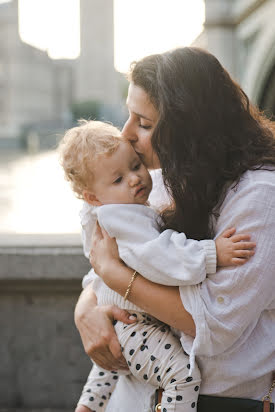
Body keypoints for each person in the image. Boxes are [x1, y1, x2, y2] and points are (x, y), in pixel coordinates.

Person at [74, 47, 275, 412]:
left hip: (219, 401)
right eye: (128, 116)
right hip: (136, 393)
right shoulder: (161, 178)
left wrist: (115, 276)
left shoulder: (260, 196)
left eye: (145, 124)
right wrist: (85, 310)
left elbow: (214, 324)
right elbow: (105, 261)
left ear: (191, 128)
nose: (126, 134)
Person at [59, 120, 254, 412]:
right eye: (118, 180)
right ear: (93, 197)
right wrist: (212, 252)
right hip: (136, 323)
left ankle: (87, 406)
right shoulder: (125, 218)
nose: (135, 179)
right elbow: (164, 256)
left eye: (135, 166)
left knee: (110, 366)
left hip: (121, 321)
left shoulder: (104, 212)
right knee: (183, 377)